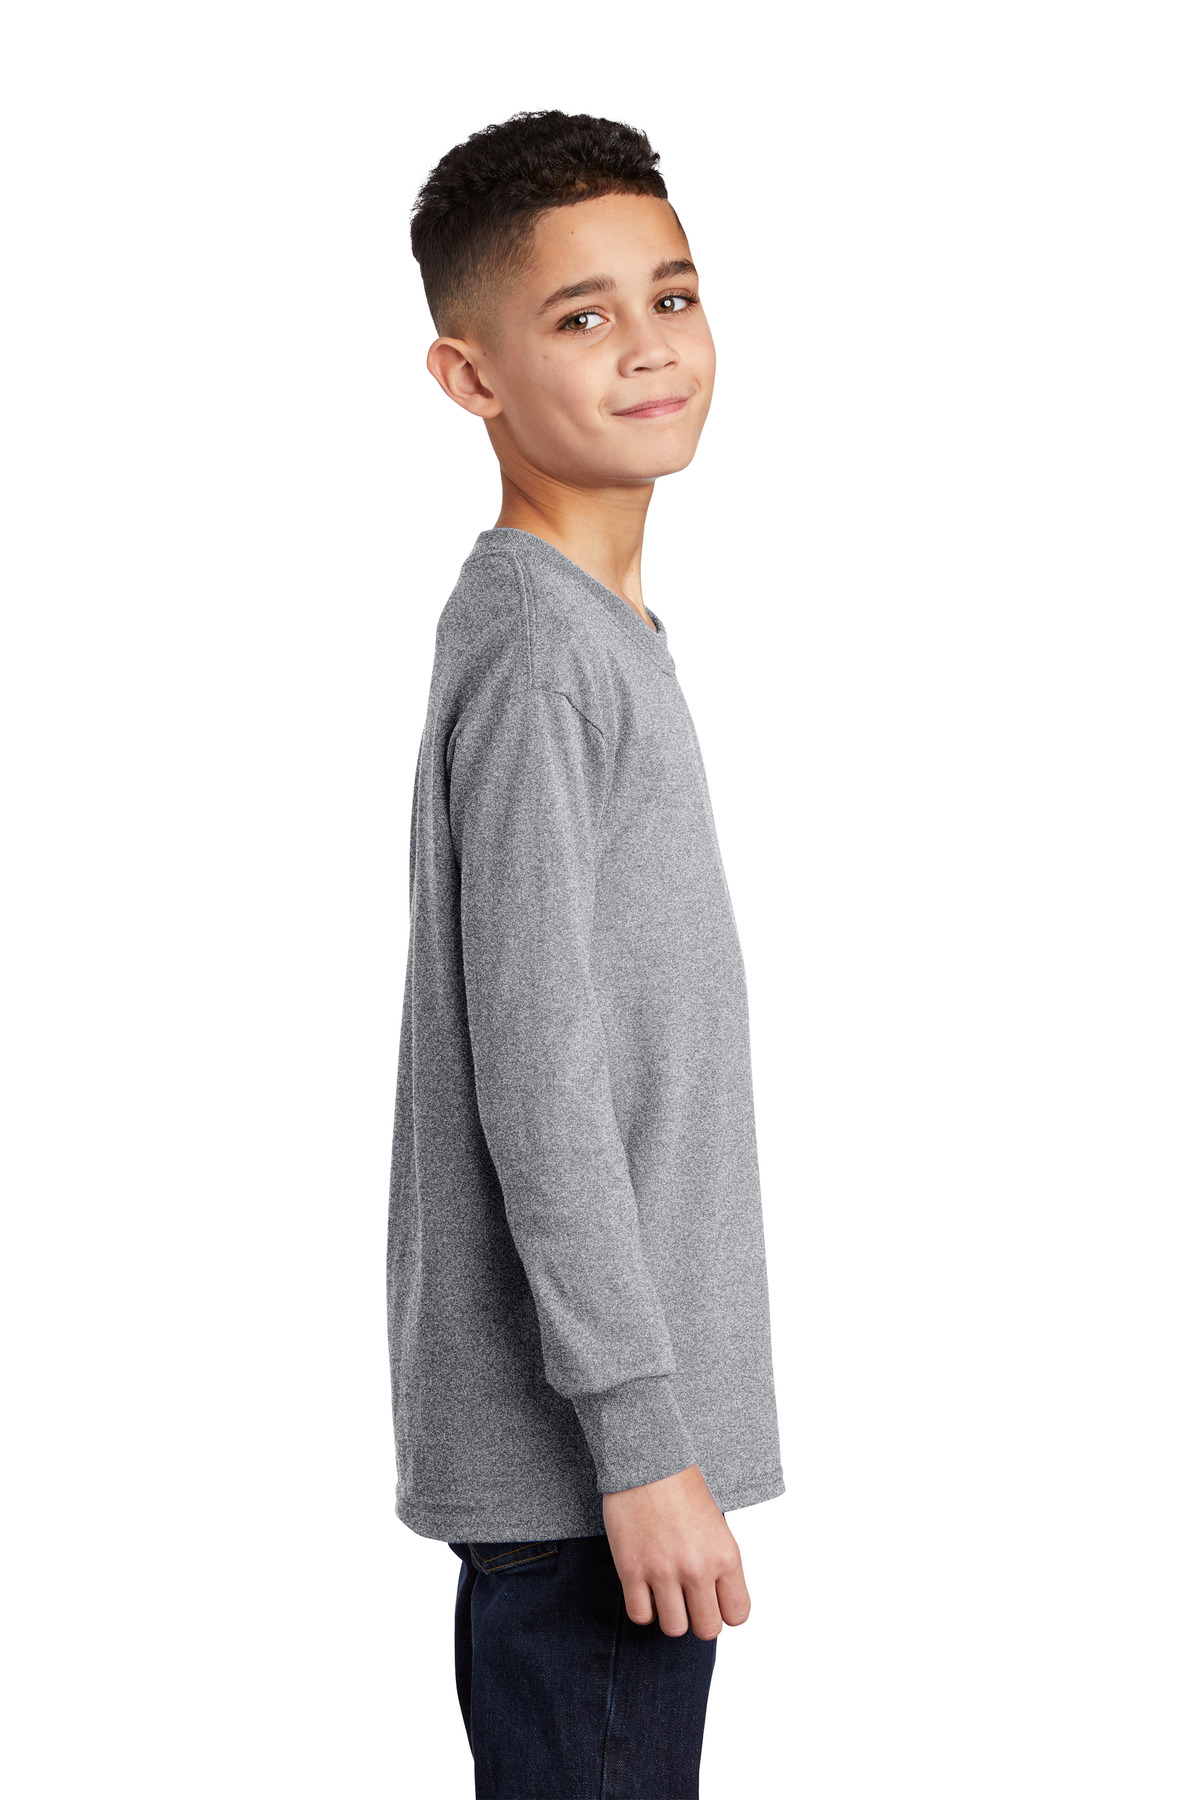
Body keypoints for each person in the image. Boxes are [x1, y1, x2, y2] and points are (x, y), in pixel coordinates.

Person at [387, 109, 785, 1799]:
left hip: (604, 1466)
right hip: (586, 1477)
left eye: (671, 297)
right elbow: (538, 1079)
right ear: (469, 377)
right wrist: (638, 1439)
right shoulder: (542, 652)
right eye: (582, 315)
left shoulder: (596, 634)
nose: (649, 347)